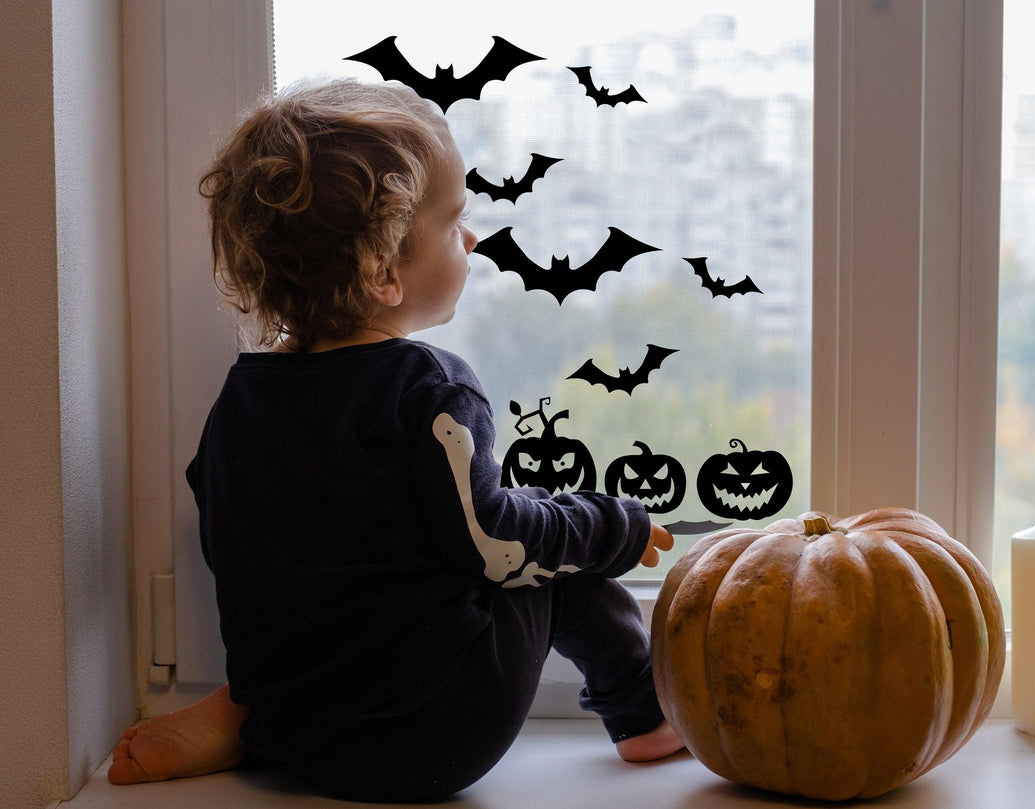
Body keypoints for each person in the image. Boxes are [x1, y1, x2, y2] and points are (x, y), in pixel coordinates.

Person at [107, 78, 683, 802]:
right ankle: (644, 717)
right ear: (383, 269)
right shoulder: (429, 389)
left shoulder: (246, 395)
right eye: (453, 221)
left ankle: (244, 715)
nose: (470, 238)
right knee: (562, 552)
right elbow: (495, 544)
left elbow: (230, 537)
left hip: (304, 731)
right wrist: (613, 525)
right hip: (434, 733)